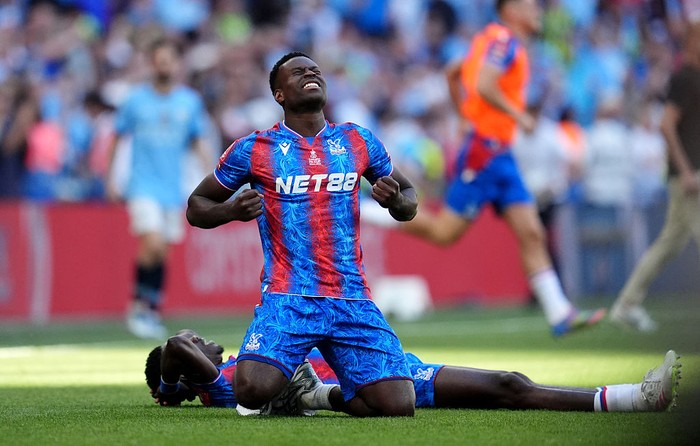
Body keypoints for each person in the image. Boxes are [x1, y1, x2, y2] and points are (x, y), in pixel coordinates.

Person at [185, 52, 419, 417]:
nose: (311, 73)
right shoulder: (254, 149)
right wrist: (230, 210)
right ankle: (287, 387)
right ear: (279, 95)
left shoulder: (358, 140)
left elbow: (409, 200)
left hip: (351, 296)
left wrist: (396, 203)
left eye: (315, 70)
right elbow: (196, 205)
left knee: (398, 406)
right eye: (298, 72)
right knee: (251, 390)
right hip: (288, 296)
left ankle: (313, 394)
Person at [387, 0, 605, 336]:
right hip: (485, 150)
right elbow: (486, 84)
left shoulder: (487, 40)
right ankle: (369, 210)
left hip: (500, 152)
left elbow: (453, 72)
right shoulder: (504, 42)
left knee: (531, 230)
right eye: (530, 6)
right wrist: (518, 117)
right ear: (511, 10)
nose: (537, 12)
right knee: (445, 232)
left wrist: (463, 115)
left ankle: (560, 314)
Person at [144, 329, 681, 414]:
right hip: (369, 384)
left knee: (507, 386)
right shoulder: (223, 386)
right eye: (197, 342)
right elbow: (171, 346)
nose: (201, 338)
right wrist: (170, 386)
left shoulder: (243, 370)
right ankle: (637, 397)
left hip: (379, 366)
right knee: (507, 387)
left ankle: (635, 397)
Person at [106, 37, 212, 340]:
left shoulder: (188, 102)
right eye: (159, 59)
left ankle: (152, 308)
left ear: (176, 64)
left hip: (172, 188)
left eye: (169, 59)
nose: (164, 65)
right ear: (151, 63)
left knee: (162, 251)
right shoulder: (135, 100)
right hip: (142, 185)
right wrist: (111, 176)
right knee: (151, 243)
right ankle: (138, 307)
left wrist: (212, 174)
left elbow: (196, 141)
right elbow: (117, 137)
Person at [610, 24, 700, 332]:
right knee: (671, 243)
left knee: (668, 245)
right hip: (690, 177)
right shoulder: (685, 78)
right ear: (691, 41)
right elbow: (666, 125)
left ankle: (626, 304)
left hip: (692, 174)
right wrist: (686, 171)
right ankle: (625, 305)